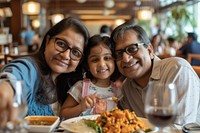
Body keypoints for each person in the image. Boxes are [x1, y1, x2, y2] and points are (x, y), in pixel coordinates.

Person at [0, 17, 89, 126]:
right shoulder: (31, 68)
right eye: (61, 44)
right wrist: (6, 89)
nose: (65, 55)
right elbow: (14, 76)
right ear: (47, 41)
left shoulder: (72, 84)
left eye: (75, 52)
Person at [110, 24, 200, 125]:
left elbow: (180, 128)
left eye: (132, 49)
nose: (125, 58)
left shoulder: (177, 70)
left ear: (150, 50)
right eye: (119, 54)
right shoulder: (127, 88)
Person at [60, 35, 121, 119]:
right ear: (87, 66)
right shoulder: (81, 86)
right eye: (95, 60)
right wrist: (80, 107)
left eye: (107, 58)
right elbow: (63, 113)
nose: (102, 64)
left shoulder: (118, 91)